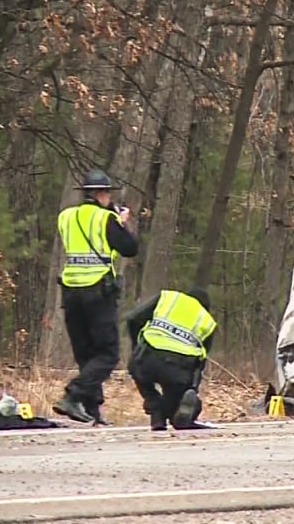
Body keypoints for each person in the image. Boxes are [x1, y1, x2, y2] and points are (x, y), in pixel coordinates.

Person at [53, 169, 139, 425]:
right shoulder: (105, 219)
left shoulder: (65, 217)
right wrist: (121, 221)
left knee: (86, 354)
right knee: (108, 354)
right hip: (97, 291)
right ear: (102, 193)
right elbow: (129, 248)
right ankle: (74, 394)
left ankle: (92, 411)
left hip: (70, 291)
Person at [124, 287, 217, 430]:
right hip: (178, 370)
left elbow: (132, 318)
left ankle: (156, 413)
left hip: (148, 360)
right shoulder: (207, 321)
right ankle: (175, 413)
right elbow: (200, 361)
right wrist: (192, 388)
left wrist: (137, 346)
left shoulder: (168, 298)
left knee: (138, 371)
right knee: (176, 397)